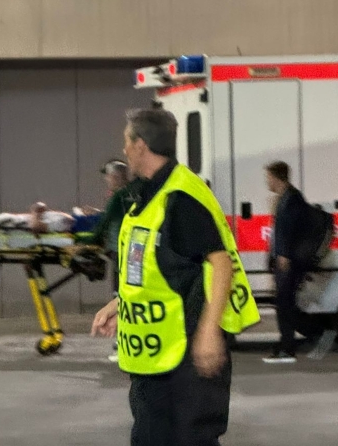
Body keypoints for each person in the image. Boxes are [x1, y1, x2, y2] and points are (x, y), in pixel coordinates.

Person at [91, 107, 260, 446]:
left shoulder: (181, 199)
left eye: (127, 142)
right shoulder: (149, 194)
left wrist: (209, 332)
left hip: (186, 353)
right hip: (157, 358)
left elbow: (221, 263)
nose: (124, 150)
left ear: (141, 145)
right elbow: (156, 266)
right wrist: (120, 302)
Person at [263, 161, 336, 363]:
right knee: (285, 304)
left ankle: (297, 343)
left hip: (289, 261)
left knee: (285, 304)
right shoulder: (285, 198)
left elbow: (289, 231)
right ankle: (290, 344)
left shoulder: (292, 199)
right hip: (285, 260)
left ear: (277, 177)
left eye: (268, 178)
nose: (267, 182)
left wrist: (283, 256)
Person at [76, 159, 134, 362]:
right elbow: (116, 216)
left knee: (119, 297)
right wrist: (99, 213)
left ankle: (121, 345)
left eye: (108, 176)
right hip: (132, 250)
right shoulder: (133, 192)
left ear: (115, 176)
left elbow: (104, 225)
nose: (107, 180)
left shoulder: (117, 196)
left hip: (119, 251)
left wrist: (84, 244)